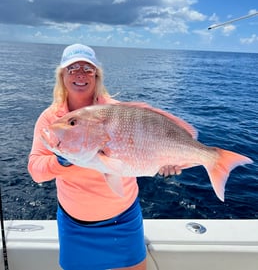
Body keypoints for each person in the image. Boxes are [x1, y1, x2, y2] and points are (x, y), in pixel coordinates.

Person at [28, 43, 182, 270]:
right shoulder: (51, 119)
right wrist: (63, 160)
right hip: (74, 226)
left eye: (87, 68)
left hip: (123, 221)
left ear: (96, 75)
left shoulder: (116, 112)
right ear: (62, 75)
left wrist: (166, 164)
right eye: (72, 68)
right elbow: (35, 170)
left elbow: (138, 154)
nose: (80, 74)